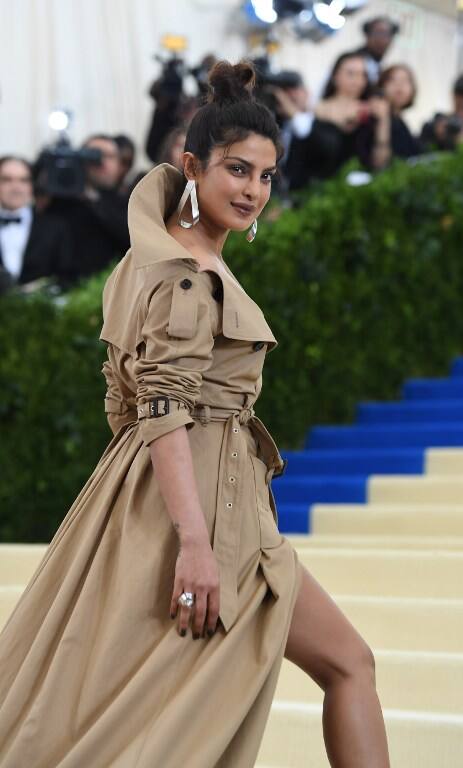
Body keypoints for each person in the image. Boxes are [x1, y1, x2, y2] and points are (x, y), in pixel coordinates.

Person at [0, 61, 390, 767]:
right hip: (203, 508)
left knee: (334, 667)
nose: (253, 191)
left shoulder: (149, 259)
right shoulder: (185, 273)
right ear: (191, 167)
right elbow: (160, 406)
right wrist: (196, 541)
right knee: (160, 713)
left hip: (171, 500)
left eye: (267, 177)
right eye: (237, 171)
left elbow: (126, 407)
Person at [46, 134, 130, 283]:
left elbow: (129, 238)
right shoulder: (61, 197)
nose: (101, 162)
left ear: (120, 164)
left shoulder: (129, 200)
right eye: (94, 155)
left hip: (108, 288)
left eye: (110, 156)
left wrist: (93, 200)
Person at [304, 53, 383, 182]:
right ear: (335, 76)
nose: (358, 81)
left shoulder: (372, 111)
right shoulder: (315, 108)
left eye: (363, 75)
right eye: (351, 74)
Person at [0, 155, 72, 287]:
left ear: (32, 185)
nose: (16, 187)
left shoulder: (56, 227)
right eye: (6, 180)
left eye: (23, 180)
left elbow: (66, 277)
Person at [358, 65, 422, 170]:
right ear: (381, 86)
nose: (399, 85)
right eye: (392, 80)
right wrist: (383, 120)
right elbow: (379, 163)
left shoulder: (400, 121)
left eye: (405, 81)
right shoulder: (374, 118)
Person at [351, 16, 400, 86]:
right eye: (378, 33)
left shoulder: (378, 65)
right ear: (367, 35)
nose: (383, 39)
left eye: (387, 34)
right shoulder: (354, 62)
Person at [421, 73, 463, 151]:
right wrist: (437, 131)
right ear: (453, 95)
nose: (461, 100)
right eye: (459, 94)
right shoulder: (441, 119)